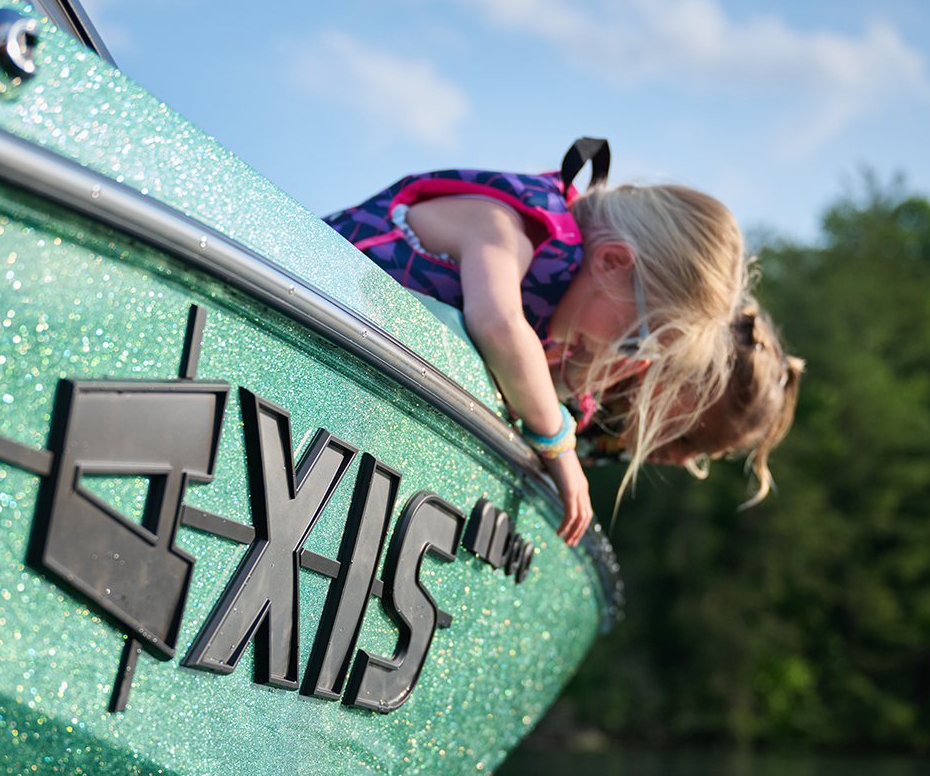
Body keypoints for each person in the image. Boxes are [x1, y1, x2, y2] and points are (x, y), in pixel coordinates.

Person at [326, 139, 802, 547]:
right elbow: (498, 328)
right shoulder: (504, 228)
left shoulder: (550, 294)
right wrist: (560, 447)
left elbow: (514, 383)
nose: (627, 351)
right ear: (613, 262)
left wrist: (578, 374)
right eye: (637, 336)